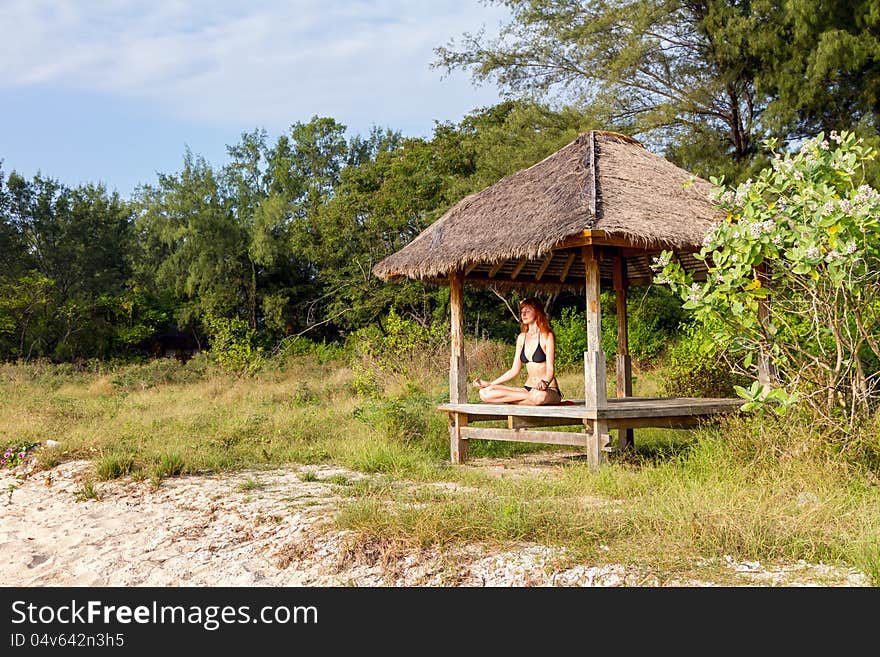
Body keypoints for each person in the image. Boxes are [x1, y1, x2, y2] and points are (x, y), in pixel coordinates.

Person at [472, 297, 563, 405]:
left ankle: (514, 400)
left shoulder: (547, 336)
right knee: (485, 393)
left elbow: (550, 369)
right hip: (527, 389)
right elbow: (514, 370)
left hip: (547, 390)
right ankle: (525, 400)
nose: (523, 314)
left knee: (539, 397)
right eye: (522, 312)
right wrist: (490, 384)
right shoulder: (522, 337)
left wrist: (545, 382)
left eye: (527, 311)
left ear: (537, 312)